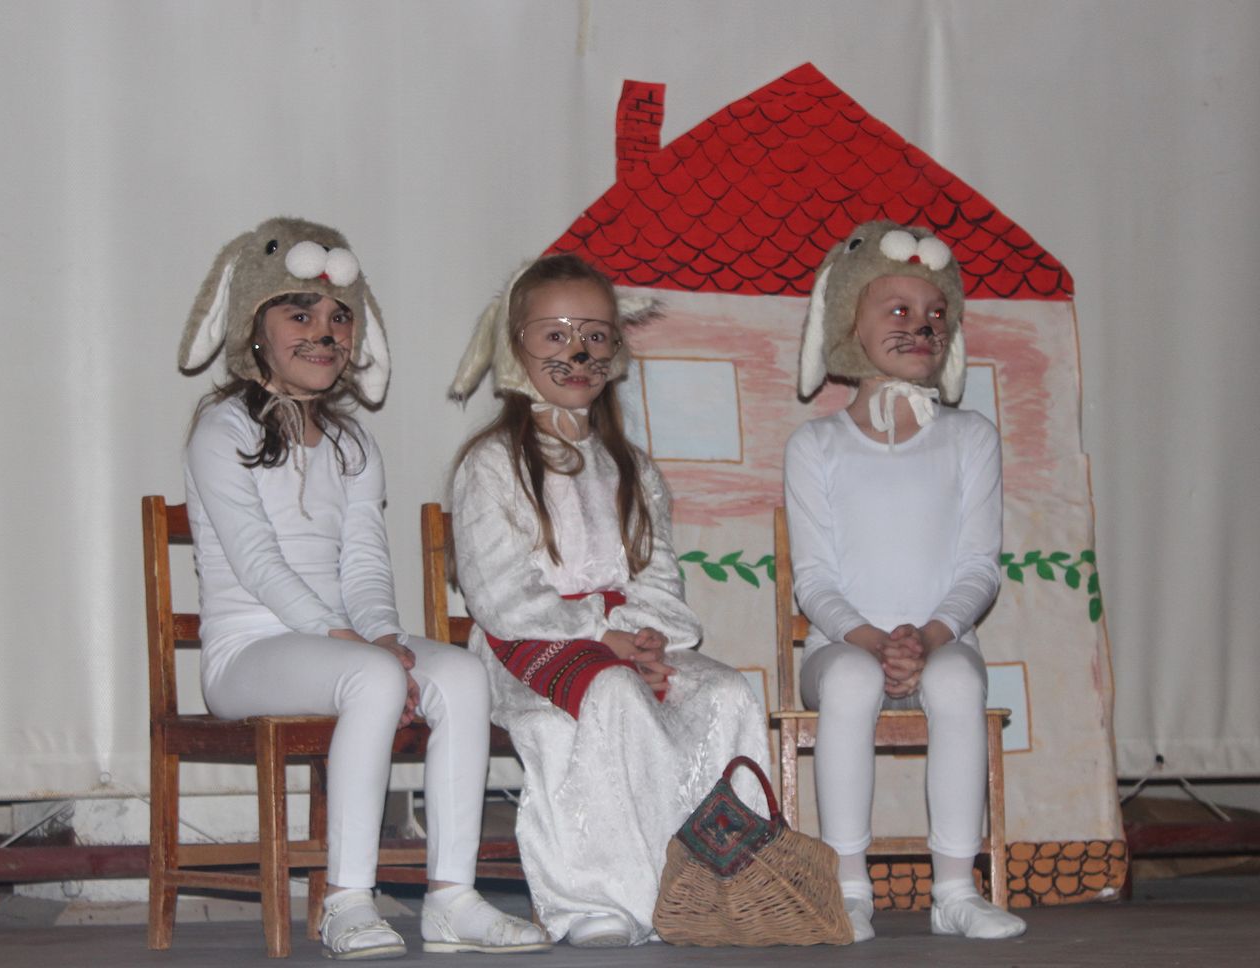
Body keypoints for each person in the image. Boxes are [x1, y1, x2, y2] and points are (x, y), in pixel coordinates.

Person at [178, 217, 549, 960]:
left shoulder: (352, 442)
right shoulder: (222, 430)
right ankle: (346, 900)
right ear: (254, 327)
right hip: (250, 651)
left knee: (462, 674)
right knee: (374, 678)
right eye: (300, 314)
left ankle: (452, 897)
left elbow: (365, 563)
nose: (324, 332)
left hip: (343, 642)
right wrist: (352, 643)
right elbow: (256, 560)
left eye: (340, 317)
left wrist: (381, 633)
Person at [447, 253, 770, 947]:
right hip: (527, 642)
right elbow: (499, 589)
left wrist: (644, 636)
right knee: (613, 694)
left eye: (594, 335)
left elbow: (657, 573)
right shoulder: (492, 464)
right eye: (555, 334)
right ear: (515, 346)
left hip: (621, 638)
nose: (578, 351)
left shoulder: (634, 469)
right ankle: (601, 898)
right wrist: (599, 636)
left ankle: (722, 883)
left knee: (726, 693)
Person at [784, 220, 1027, 941]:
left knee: (956, 683)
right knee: (851, 681)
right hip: (841, 645)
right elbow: (814, 579)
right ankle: (848, 886)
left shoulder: (971, 438)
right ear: (846, 322)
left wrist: (928, 637)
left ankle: (954, 888)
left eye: (936, 313)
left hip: (943, 641)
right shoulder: (816, 445)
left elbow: (978, 566)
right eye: (898, 309)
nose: (922, 326)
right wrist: (869, 640)